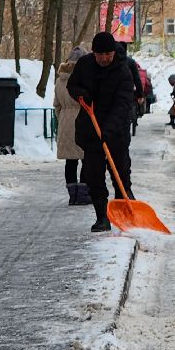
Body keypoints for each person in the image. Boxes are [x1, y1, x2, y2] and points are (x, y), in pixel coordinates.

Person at [67, 31, 136, 232]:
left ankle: (124, 210)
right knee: (94, 176)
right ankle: (102, 217)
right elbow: (72, 85)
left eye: (108, 54)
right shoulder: (84, 65)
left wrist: (108, 130)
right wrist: (81, 94)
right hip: (90, 130)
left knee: (120, 173)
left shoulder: (123, 72)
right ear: (93, 53)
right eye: (100, 54)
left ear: (114, 52)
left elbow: (122, 106)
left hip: (116, 132)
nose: (104, 58)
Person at [53, 47, 89, 205]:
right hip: (83, 121)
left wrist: (63, 119)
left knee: (70, 161)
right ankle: (83, 195)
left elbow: (57, 105)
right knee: (87, 159)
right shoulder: (85, 79)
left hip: (65, 123)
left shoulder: (60, 79)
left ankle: (73, 196)